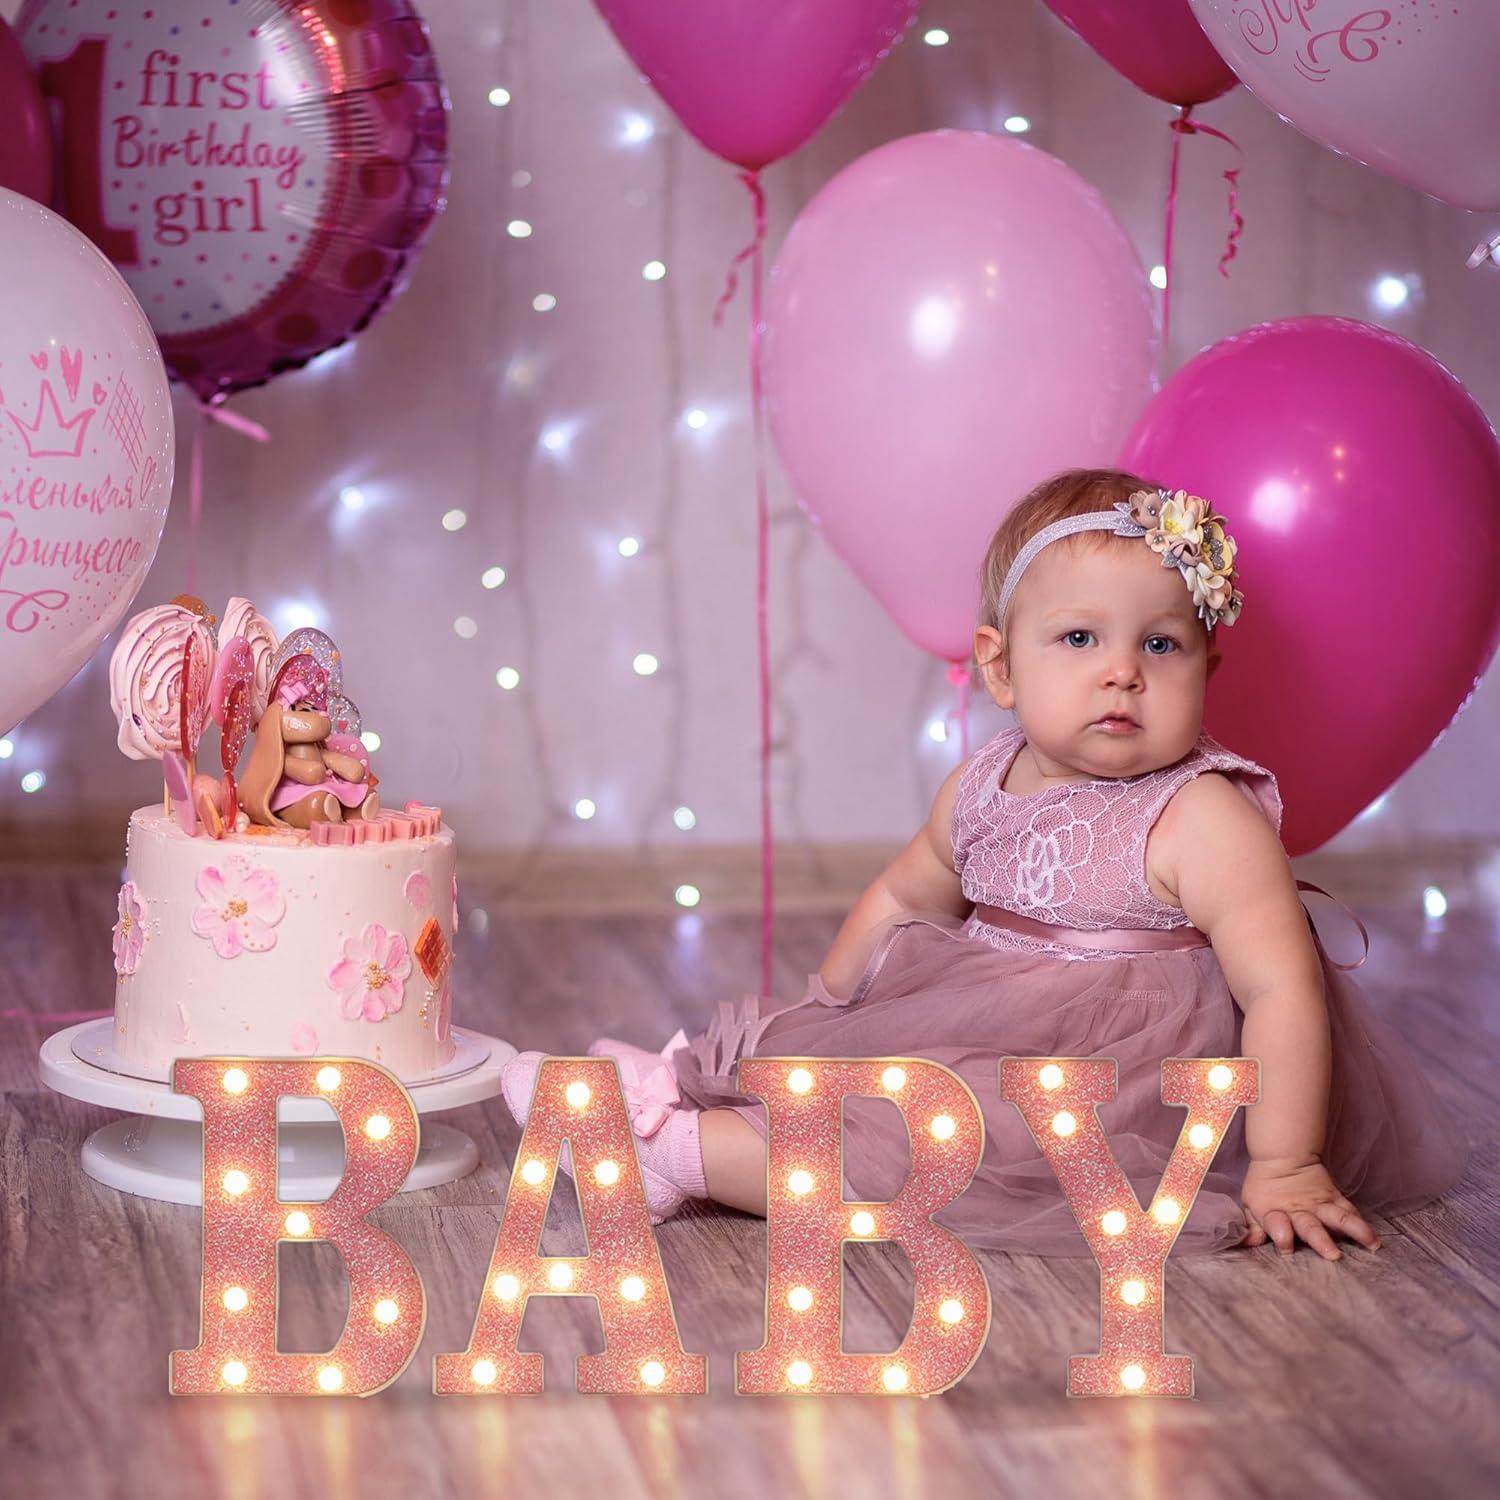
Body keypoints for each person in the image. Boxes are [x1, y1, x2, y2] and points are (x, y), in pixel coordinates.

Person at [501, 467, 1470, 1259]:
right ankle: (714, 1099)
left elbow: (1282, 991)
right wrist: (825, 1014)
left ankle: (679, 1154)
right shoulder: (982, 783)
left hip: (1118, 1090)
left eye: (1163, 643)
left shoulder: (1203, 817)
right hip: (983, 1029)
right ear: (1001, 667)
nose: (1123, 668)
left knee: (941, 1148)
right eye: (1081, 637)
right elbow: (904, 892)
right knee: (867, 1084)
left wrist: (1285, 1161)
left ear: (1207, 670)